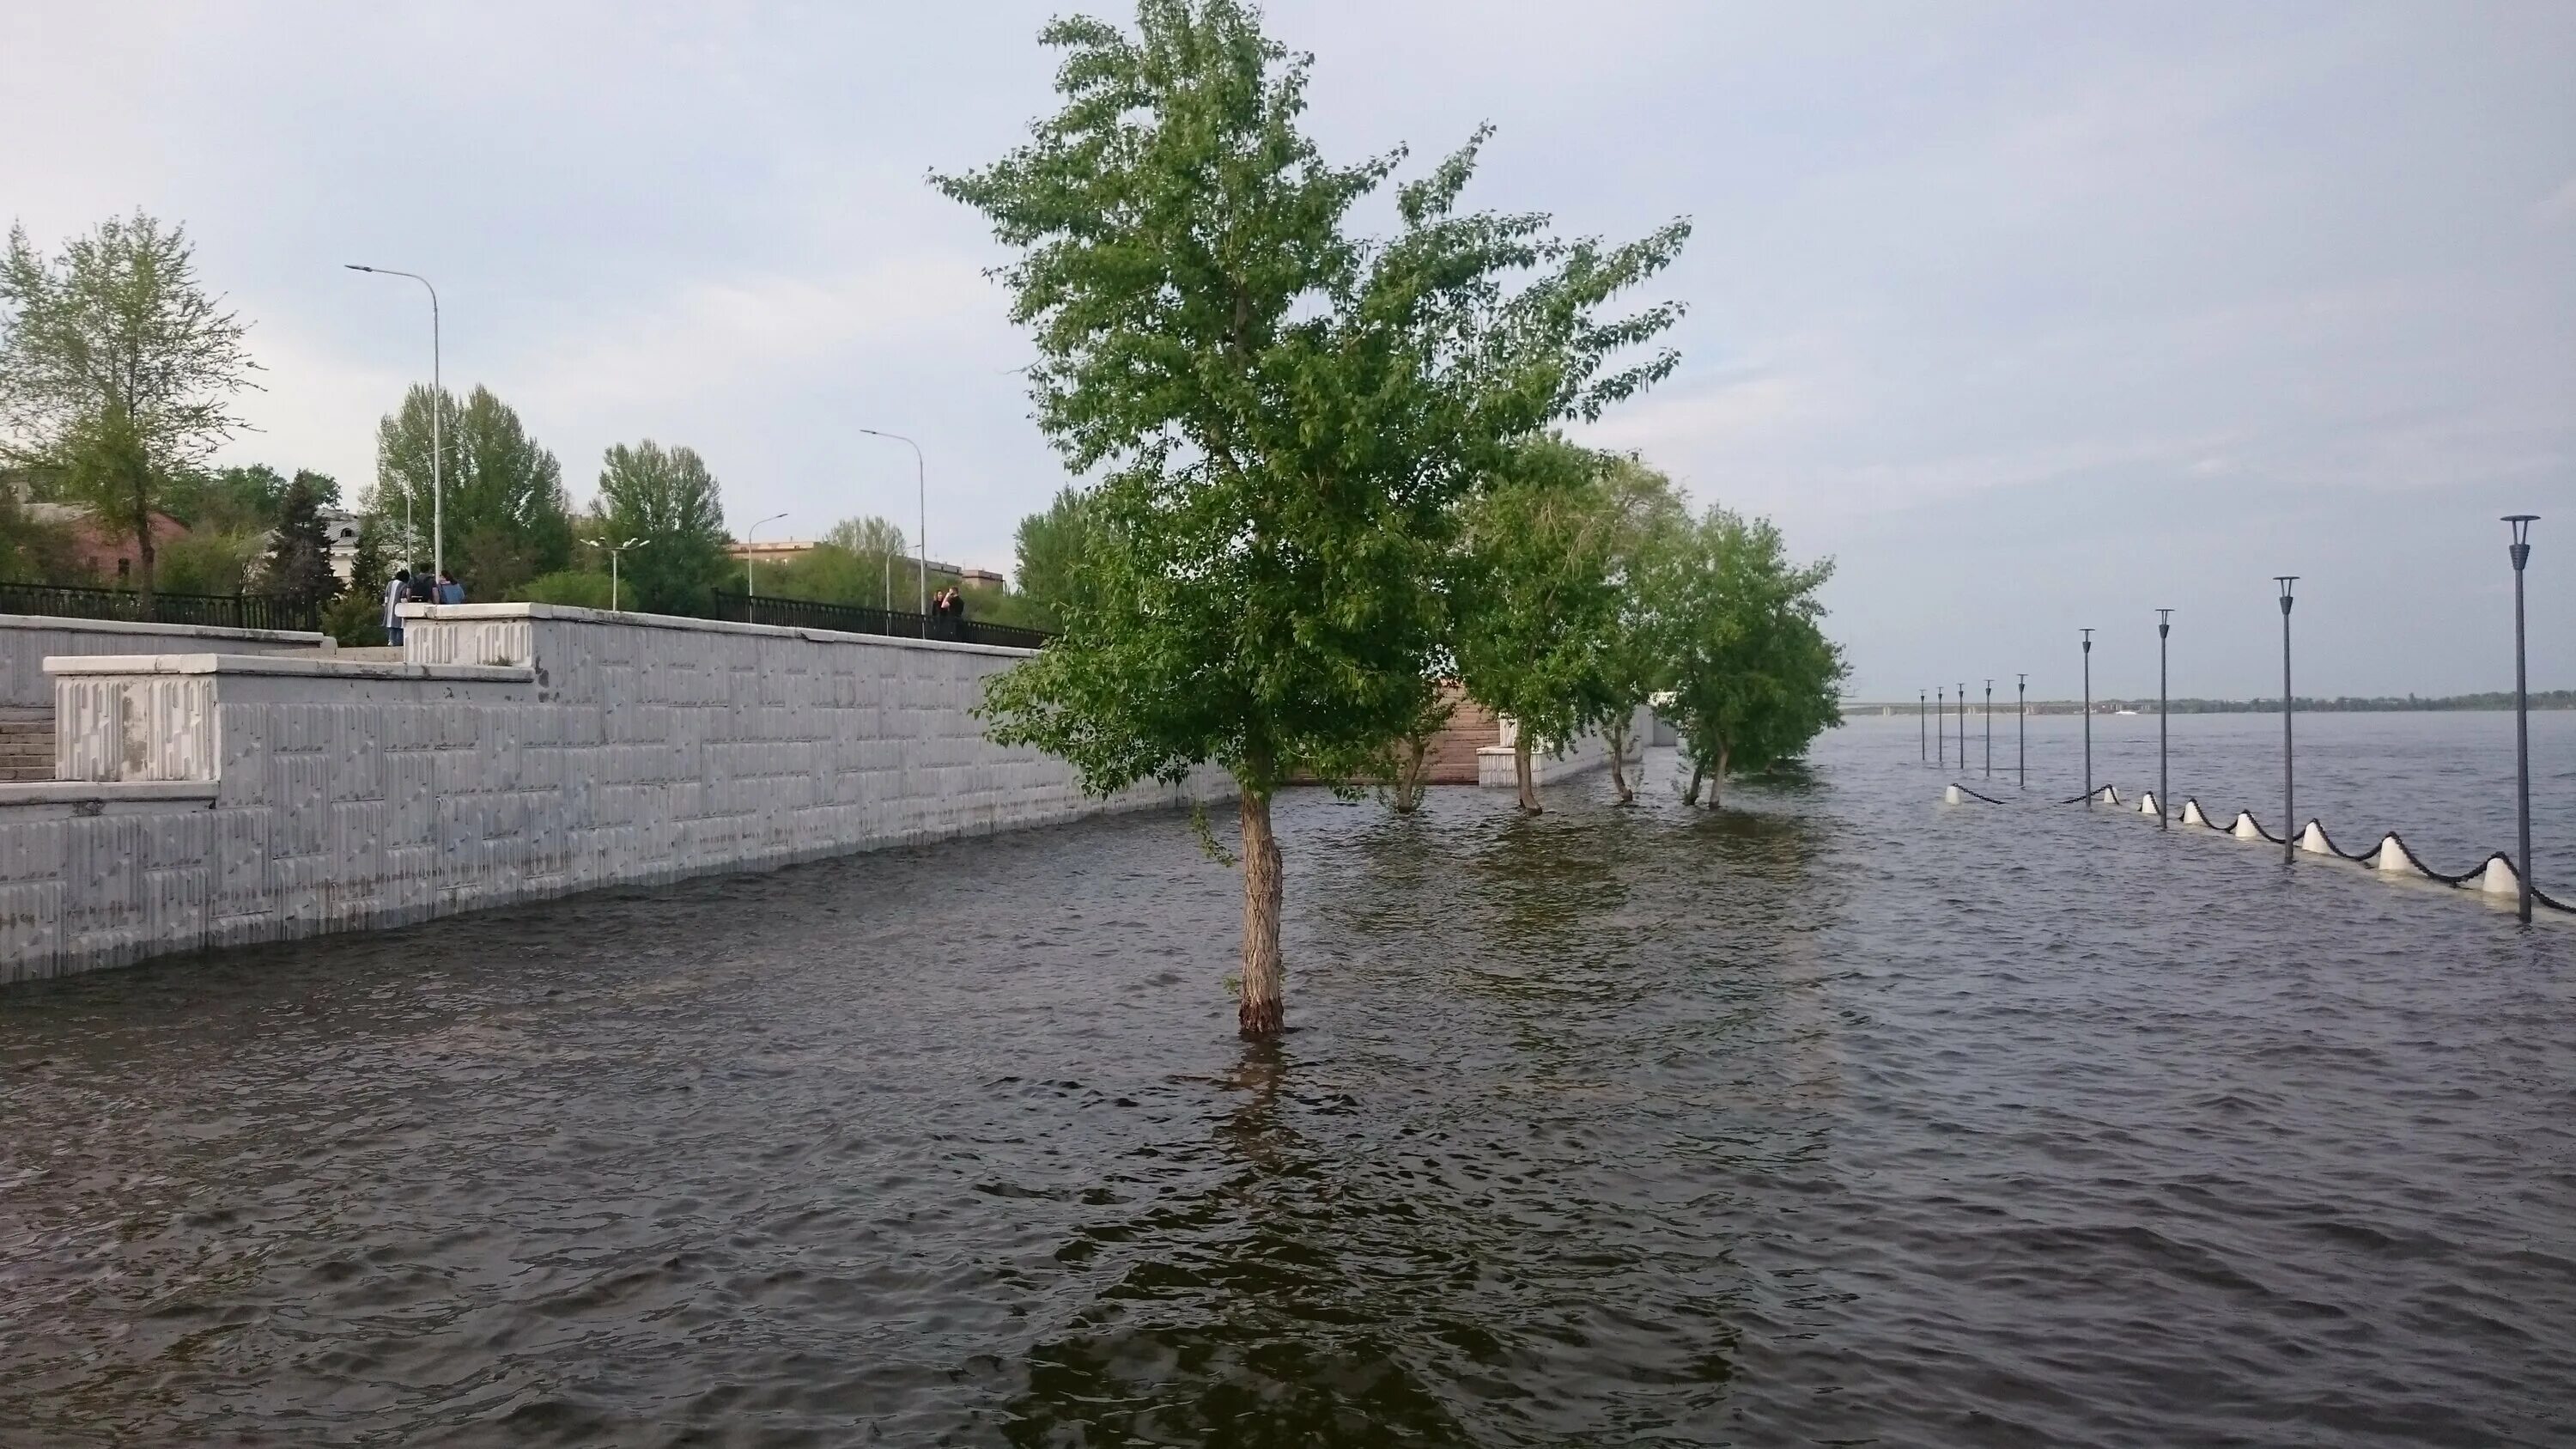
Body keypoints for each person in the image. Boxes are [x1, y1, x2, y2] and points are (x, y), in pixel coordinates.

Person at [383, 568, 411, 645]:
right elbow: (403, 599)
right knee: (399, 628)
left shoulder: (390, 584)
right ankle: (398, 644)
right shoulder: (404, 585)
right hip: (399, 610)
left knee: (391, 627)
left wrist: (386, 606)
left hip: (389, 610)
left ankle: (391, 641)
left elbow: (386, 598)